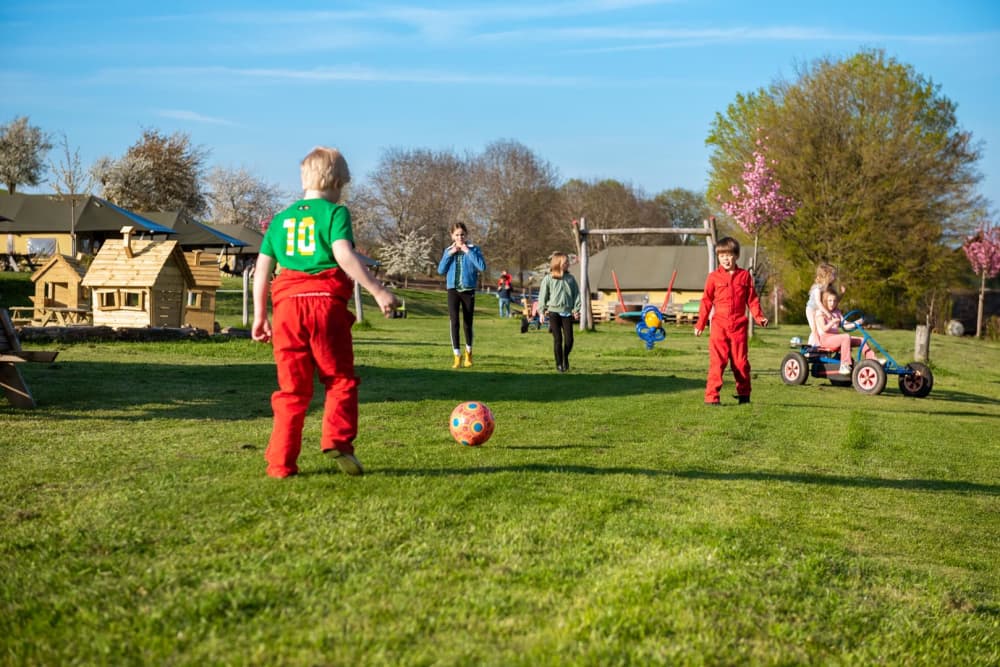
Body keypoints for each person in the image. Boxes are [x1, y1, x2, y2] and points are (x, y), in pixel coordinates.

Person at [252, 146, 399, 479]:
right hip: (325, 305)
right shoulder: (335, 213)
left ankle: (280, 464)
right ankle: (338, 440)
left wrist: (261, 315)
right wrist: (377, 290)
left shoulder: (280, 220)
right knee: (339, 379)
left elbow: (262, 270)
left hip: (287, 309)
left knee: (291, 390)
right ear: (337, 184)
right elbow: (344, 255)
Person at [694, 237, 768, 405]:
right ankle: (712, 397)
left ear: (736, 256)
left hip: (739, 327)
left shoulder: (745, 277)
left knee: (741, 363)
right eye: (722, 256)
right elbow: (706, 301)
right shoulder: (713, 277)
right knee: (717, 362)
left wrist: (759, 317)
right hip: (719, 326)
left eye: (729, 255)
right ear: (718, 257)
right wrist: (700, 324)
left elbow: (752, 300)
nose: (726, 259)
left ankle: (744, 395)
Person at [437, 222, 486, 368]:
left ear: (466, 235)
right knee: (454, 322)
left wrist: (467, 251)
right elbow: (440, 270)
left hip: (468, 290)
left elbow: (482, 267)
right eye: (457, 234)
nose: (460, 237)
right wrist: (450, 254)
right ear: (452, 236)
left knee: (467, 323)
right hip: (453, 290)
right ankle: (457, 355)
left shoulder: (474, 249)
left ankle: (469, 353)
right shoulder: (448, 251)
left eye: (462, 234)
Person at [815, 286, 875, 375]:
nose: (832, 303)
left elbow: (846, 326)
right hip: (826, 339)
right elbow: (824, 328)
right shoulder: (820, 312)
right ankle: (844, 365)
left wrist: (858, 322)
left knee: (862, 340)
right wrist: (832, 322)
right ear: (825, 301)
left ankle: (873, 361)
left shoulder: (837, 312)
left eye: (834, 301)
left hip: (836, 338)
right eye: (830, 301)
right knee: (845, 337)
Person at [537, 252, 582, 372]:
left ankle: (565, 357)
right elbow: (542, 296)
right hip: (553, 312)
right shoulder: (548, 278)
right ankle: (559, 364)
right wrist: (541, 312)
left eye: (568, 262)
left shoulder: (571, 279)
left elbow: (576, 295)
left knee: (569, 340)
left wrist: (576, 310)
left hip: (567, 312)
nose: (568, 264)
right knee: (558, 339)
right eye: (566, 262)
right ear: (558, 263)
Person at [806, 263, 839, 345]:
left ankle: (819, 345)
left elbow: (833, 299)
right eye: (833, 275)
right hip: (812, 310)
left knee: (821, 329)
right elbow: (818, 302)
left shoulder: (828, 287)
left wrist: (842, 294)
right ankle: (811, 347)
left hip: (819, 310)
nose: (835, 277)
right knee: (814, 329)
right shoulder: (817, 288)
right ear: (827, 275)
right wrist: (827, 313)